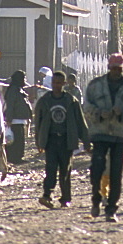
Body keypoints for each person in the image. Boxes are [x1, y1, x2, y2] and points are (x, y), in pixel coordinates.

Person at [83, 53, 123, 223]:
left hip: (119, 135)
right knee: (97, 169)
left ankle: (111, 209)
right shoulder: (96, 85)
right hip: (99, 134)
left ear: (122, 69)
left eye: (119, 69)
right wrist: (99, 113)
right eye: (113, 68)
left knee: (116, 174)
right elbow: (86, 106)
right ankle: (96, 199)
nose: (116, 71)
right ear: (109, 67)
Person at [36, 71, 89, 207]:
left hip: (67, 140)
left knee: (65, 171)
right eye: (54, 83)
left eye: (59, 83)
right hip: (51, 141)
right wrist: (39, 142)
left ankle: (65, 198)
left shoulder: (71, 101)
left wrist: (87, 142)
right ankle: (47, 195)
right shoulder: (45, 101)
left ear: (64, 84)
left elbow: (80, 123)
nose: (56, 85)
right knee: (50, 169)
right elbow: (39, 123)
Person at [4, 70, 32, 165]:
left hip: (20, 120)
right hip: (14, 120)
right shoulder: (13, 90)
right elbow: (10, 105)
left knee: (20, 140)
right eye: (24, 78)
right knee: (15, 141)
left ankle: (18, 157)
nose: (25, 80)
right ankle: (13, 158)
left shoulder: (19, 89)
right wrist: (9, 119)